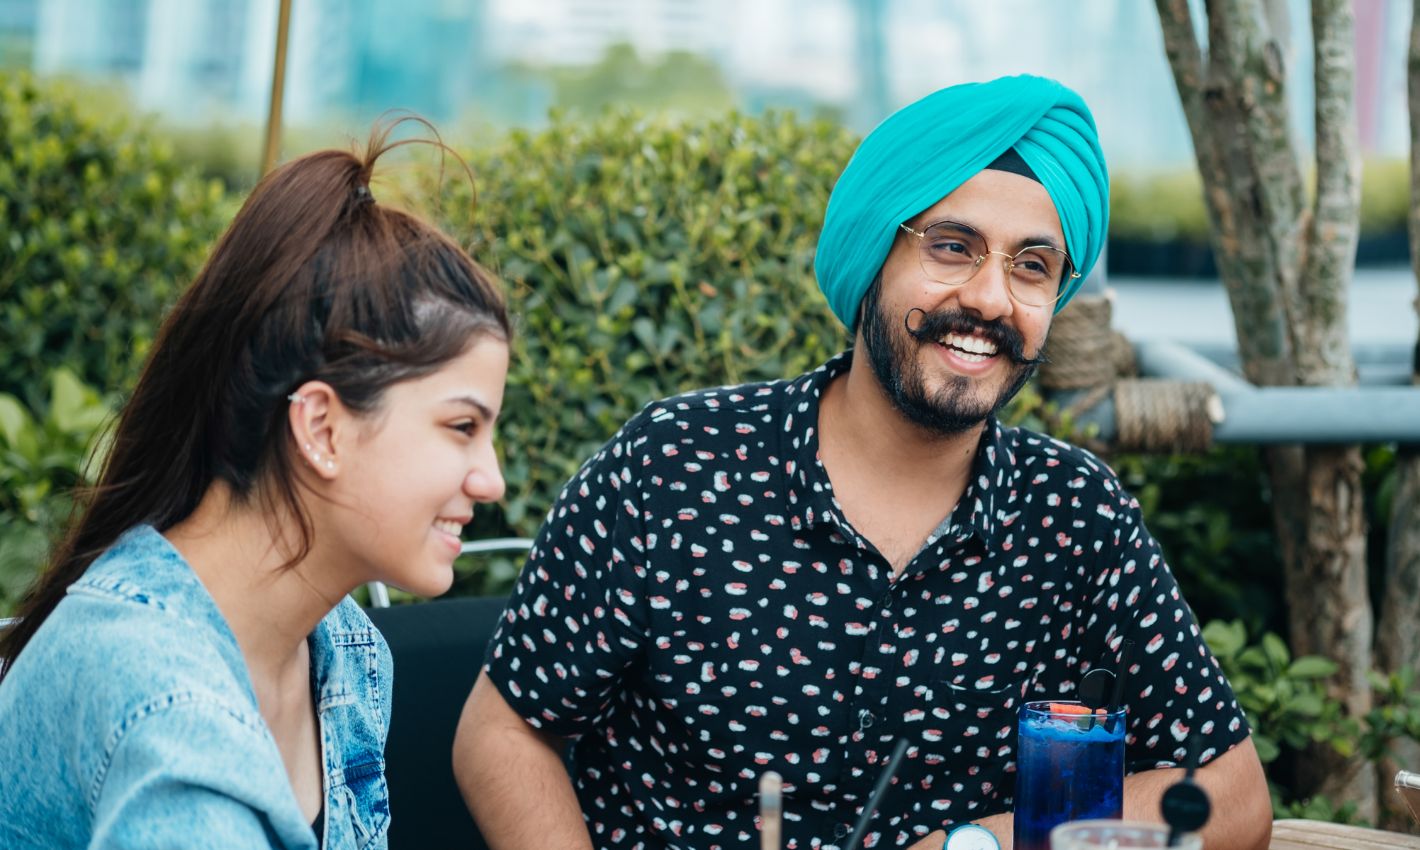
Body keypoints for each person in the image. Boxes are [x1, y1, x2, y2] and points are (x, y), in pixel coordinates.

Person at [452, 75, 1271, 850]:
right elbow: (504, 734)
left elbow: (1230, 796)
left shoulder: (1072, 514)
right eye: (952, 247)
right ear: (875, 255)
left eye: (1031, 266)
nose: (990, 299)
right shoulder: (675, 468)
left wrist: (978, 841)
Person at [0, 122, 510, 849]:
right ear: (322, 430)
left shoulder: (344, 651)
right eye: (462, 427)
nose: (490, 479)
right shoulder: (167, 712)